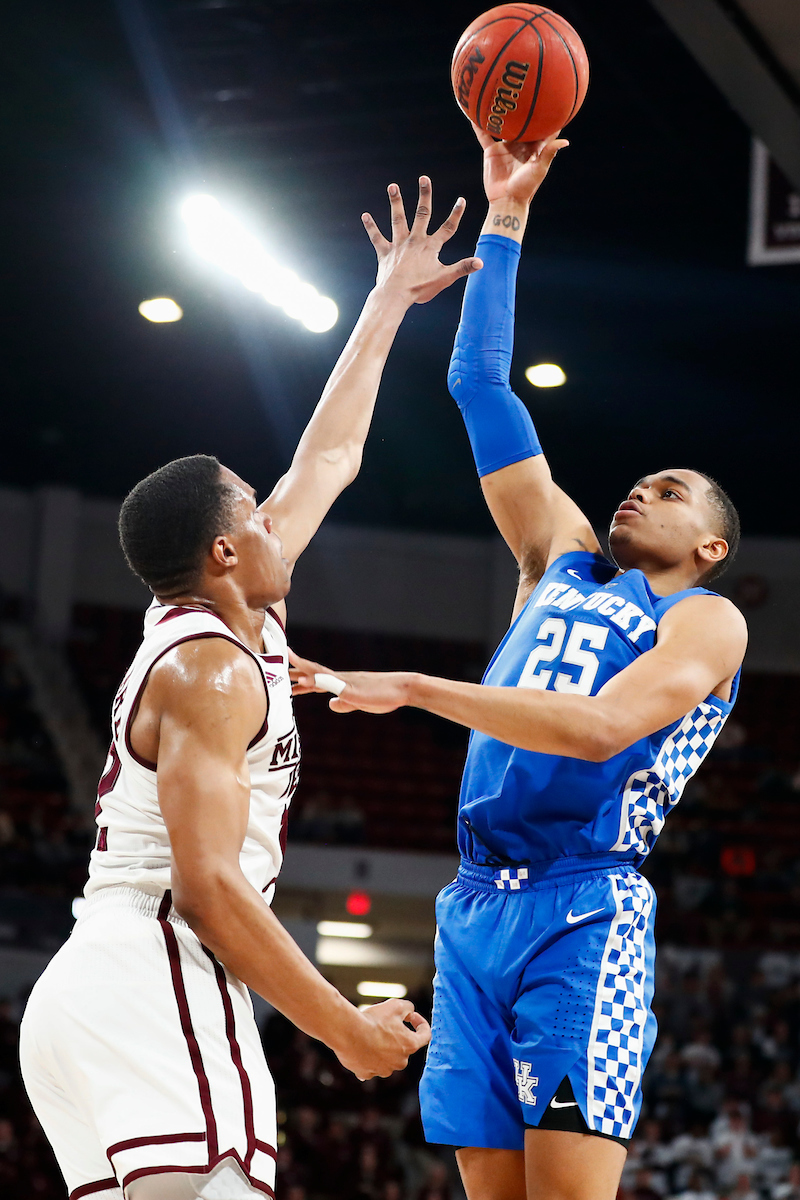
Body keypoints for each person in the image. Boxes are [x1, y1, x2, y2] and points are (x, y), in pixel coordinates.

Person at [290, 128, 748, 1200]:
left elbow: (593, 731)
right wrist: (507, 215)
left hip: (581, 907)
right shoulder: (554, 556)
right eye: (639, 480)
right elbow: (479, 385)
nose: (640, 490)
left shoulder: (704, 622)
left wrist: (409, 688)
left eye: (670, 490)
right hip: (471, 908)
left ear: (712, 548)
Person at [19, 178, 481, 1200]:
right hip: (161, 973)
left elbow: (331, 455)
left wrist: (387, 304)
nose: (281, 517)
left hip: (105, 987)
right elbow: (210, 890)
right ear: (226, 551)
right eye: (257, 514)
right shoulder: (210, 669)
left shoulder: (225, 624)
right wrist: (342, 1030)